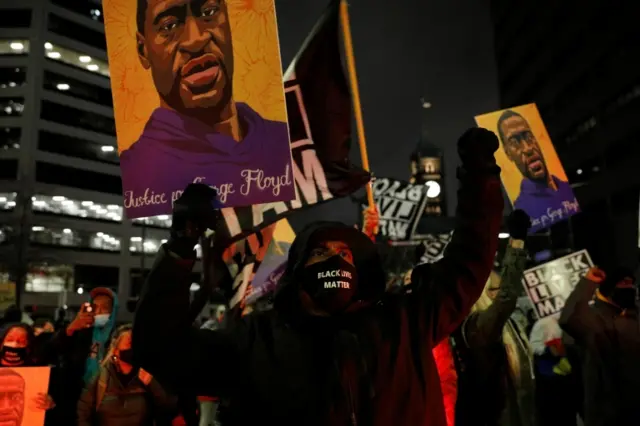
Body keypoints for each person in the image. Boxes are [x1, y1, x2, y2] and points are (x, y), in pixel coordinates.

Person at [133, 127, 504, 426]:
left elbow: (469, 261)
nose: (335, 260)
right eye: (321, 252)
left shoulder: (404, 323)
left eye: (345, 254)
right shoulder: (256, 340)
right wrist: (180, 250)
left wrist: (481, 181)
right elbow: (160, 349)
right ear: (297, 272)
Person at [119, 0, 292, 216]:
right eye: (169, 26)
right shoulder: (137, 171)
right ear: (143, 50)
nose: (196, 39)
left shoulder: (287, 144)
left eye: (209, 12)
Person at [448, 210, 531, 426]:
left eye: (497, 290)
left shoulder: (509, 326)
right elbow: (506, 299)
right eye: (493, 290)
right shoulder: (474, 327)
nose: (497, 295)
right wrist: (517, 244)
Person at [559, 266, 640, 426]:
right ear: (609, 287)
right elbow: (568, 319)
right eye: (623, 283)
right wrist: (587, 283)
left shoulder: (633, 315)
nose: (629, 288)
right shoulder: (593, 319)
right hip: (609, 412)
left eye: (631, 284)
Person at [77, 324, 177, 426]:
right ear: (115, 350)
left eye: (135, 344)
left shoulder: (145, 375)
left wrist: (152, 383)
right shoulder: (100, 377)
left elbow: (168, 406)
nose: (133, 347)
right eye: (129, 342)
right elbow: (82, 412)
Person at [496, 110, 578, 228]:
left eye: (529, 137)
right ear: (508, 153)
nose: (528, 148)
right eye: (514, 143)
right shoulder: (523, 209)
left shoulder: (566, 186)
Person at [51, 287, 119, 424]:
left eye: (104, 308)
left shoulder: (119, 337)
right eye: (95, 307)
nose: (98, 312)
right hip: (78, 398)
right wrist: (72, 328)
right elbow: (52, 349)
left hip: (109, 400)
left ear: (113, 311)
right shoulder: (81, 332)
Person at [0, 324, 57, 421]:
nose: (14, 344)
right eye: (9, 340)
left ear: (28, 347)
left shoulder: (39, 374)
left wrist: (51, 404)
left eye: (21, 341)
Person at [529, 315, 577, 426]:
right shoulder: (542, 324)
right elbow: (533, 346)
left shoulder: (571, 322)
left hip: (568, 379)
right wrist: (548, 350)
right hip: (549, 378)